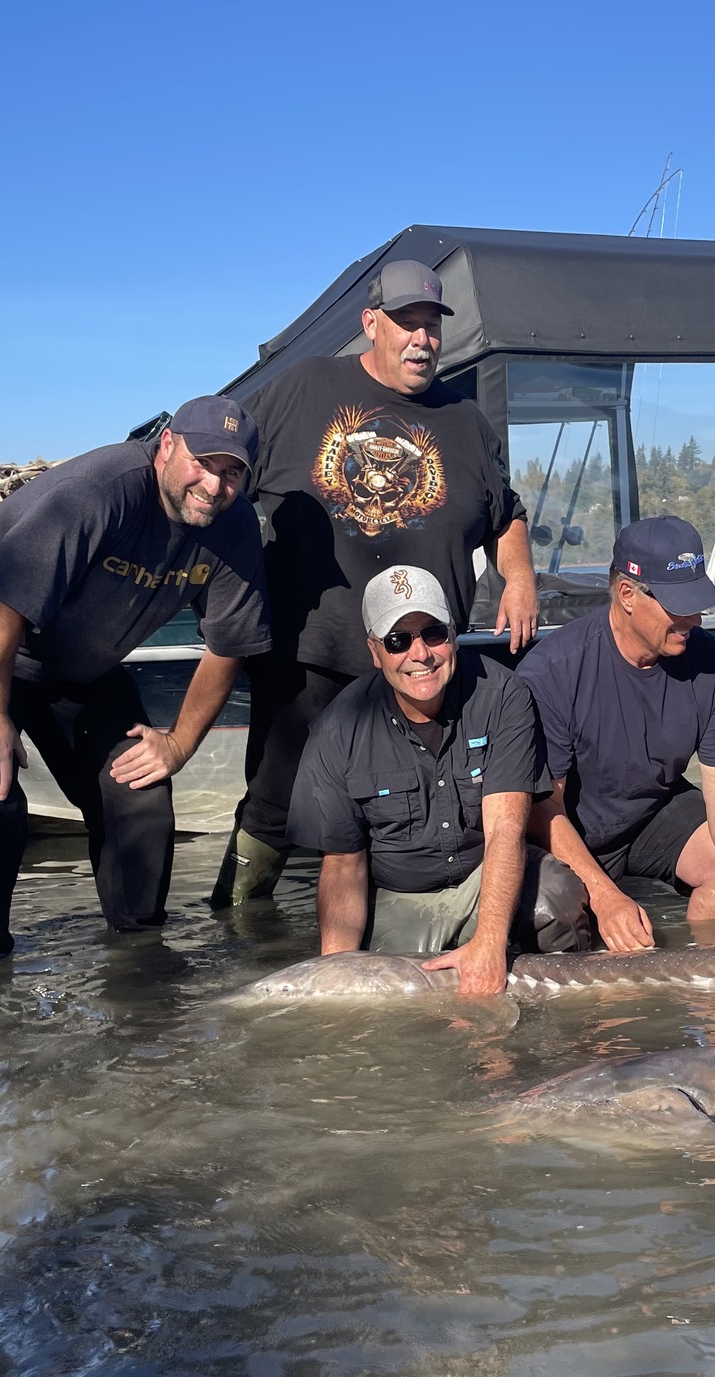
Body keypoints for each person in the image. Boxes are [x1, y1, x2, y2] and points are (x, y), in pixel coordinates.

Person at [0, 397, 272, 974]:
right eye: (203, 460)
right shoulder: (103, 489)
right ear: (167, 445)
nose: (214, 483)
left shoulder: (233, 525)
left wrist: (178, 743)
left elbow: (229, 643)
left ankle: (141, 960)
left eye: (232, 471)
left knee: (138, 784)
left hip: (69, 660)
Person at [214, 258, 539, 912]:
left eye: (431, 326)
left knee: (416, 808)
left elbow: (505, 515)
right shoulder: (303, 387)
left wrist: (521, 576)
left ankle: (404, 938)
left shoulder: (465, 421)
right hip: (312, 652)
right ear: (370, 325)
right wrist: (220, 590)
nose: (421, 339)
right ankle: (238, 928)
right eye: (405, 323)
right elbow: (219, 478)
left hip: (419, 662)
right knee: (275, 803)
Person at [286, 566, 589, 995]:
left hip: (483, 878)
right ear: (375, 651)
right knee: (369, 989)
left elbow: (506, 829)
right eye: (398, 641)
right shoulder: (338, 728)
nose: (420, 654)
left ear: (453, 633)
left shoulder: (504, 695)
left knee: (553, 896)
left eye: (433, 633)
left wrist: (488, 943)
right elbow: (343, 866)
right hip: (399, 900)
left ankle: (561, 1030)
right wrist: (337, 973)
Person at [516, 516, 715, 950]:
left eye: (697, 601)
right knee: (588, 942)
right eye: (679, 605)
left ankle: (712, 1001)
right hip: (570, 825)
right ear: (627, 594)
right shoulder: (552, 670)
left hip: (652, 812)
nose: (694, 618)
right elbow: (540, 808)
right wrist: (606, 897)